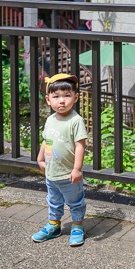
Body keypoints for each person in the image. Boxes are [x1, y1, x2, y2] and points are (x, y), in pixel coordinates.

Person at [33, 73, 88, 246]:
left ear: (75, 97)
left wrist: (77, 169)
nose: (61, 101)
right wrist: (40, 157)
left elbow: (80, 146)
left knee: (75, 202)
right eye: (56, 97)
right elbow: (46, 140)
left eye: (67, 96)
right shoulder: (50, 119)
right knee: (54, 201)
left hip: (68, 174)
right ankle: (54, 225)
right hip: (51, 173)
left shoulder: (75, 121)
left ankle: (77, 226)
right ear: (48, 100)